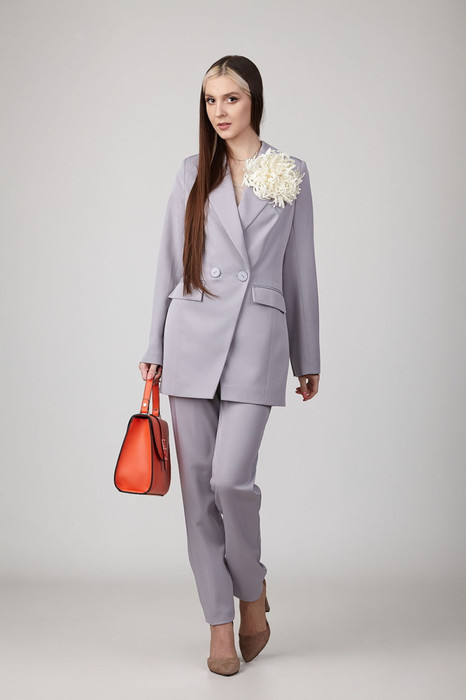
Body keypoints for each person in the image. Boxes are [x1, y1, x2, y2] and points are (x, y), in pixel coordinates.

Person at [138, 54, 320, 676]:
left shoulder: (289, 172)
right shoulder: (193, 171)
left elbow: (300, 268)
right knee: (196, 493)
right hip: (190, 338)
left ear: (254, 101)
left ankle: (252, 588)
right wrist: (153, 347)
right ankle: (220, 625)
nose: (219, 111)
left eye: (231, 98)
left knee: (229, 480)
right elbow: (168, 261)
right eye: (210, 100)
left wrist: (307, 354)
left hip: (256, 340)